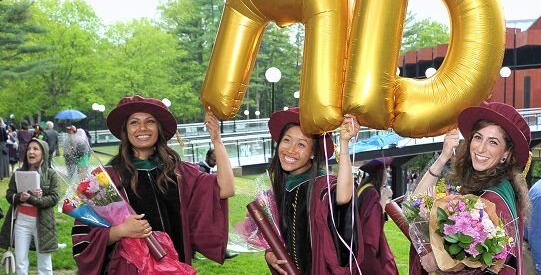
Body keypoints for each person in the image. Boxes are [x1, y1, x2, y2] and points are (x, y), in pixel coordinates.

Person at [70, 94, 235, 274]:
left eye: (150, 122)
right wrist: (120, 231)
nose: (142, 128)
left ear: (159, 129)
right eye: (134, 122)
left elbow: (226, 188)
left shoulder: (179, 172)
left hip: (175, 266)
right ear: (125, 130)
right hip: (129, 269)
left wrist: (217, 140)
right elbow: (84, 237)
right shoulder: (106, 179)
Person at [412, 101, 532, 275]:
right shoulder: (487, 184)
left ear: (506, 153)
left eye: (493, 142)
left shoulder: (495, 197)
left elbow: (481, 263)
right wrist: (444, 156)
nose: (481, 148)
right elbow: (417, 202)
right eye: (478, 137)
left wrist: (438, 261)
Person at [263, 107, 361, 275]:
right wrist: (270, 254)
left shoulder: (321, 185)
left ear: (313, 154)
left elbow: (343, 197)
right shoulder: (280, 186)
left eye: (301, 144)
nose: (291, 150)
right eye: (286, 140)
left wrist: (344, 143)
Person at [0, 138, 60, 275]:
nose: (31, 152)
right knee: (20, 263)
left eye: (35, 149)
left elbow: (54, 198)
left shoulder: (51, 174)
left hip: (43, 223)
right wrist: (20, 197)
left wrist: (33, 199)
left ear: (43, 153)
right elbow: (10, 195)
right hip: (21, 222)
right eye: (29, 149)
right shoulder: (18, 173)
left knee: (45, 265)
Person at [356, 157, 397, 275]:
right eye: (387, 171)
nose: (388, 175)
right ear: (380, 173)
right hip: (369, 243)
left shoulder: (364, 187)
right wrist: (384, 198)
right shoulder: (371, 192)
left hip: (360, 241)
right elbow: (372, 221)